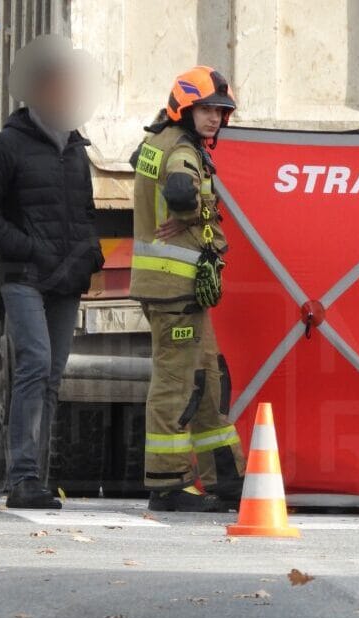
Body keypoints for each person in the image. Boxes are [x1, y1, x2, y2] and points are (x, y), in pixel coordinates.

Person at [0, 36, 104, 509]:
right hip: (24, 276)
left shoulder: (76, 149)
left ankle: (36, 478)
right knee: (33, 363)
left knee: (51, 373)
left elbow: (85, 211)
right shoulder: (7, 146)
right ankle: (24, 477)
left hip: (67, 279)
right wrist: (28, 248)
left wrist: (92, 255)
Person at [129, 67, 245, 512]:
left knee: (208, 378)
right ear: (184, 108)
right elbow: (180, 192)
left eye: (220, 111)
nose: (215, 118)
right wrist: (199, 213)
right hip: (173, 289)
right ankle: (167, 484)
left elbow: (143, 167)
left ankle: (226, 479)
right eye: (206, 109)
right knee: (176, 383)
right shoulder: (181, 148)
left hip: (178, 291)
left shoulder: (157, 141)